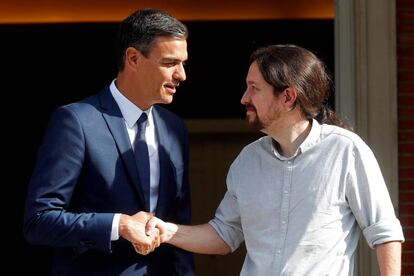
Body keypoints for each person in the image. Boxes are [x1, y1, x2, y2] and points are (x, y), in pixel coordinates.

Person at [141, 44, 405, 275]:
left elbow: (384, 232)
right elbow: (223, 235)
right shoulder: (247, 162)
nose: (244, 98)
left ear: (288, 97)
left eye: (254, 88)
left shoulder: (345, 151)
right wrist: (167, 231)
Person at [23, 8, 194, 275]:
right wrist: (119, 225)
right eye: (170, 63)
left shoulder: (175, 128)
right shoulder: (76, 121)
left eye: (183, 63)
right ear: (133, 58)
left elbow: (178, 223)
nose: (182, 75)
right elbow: (39, 221)